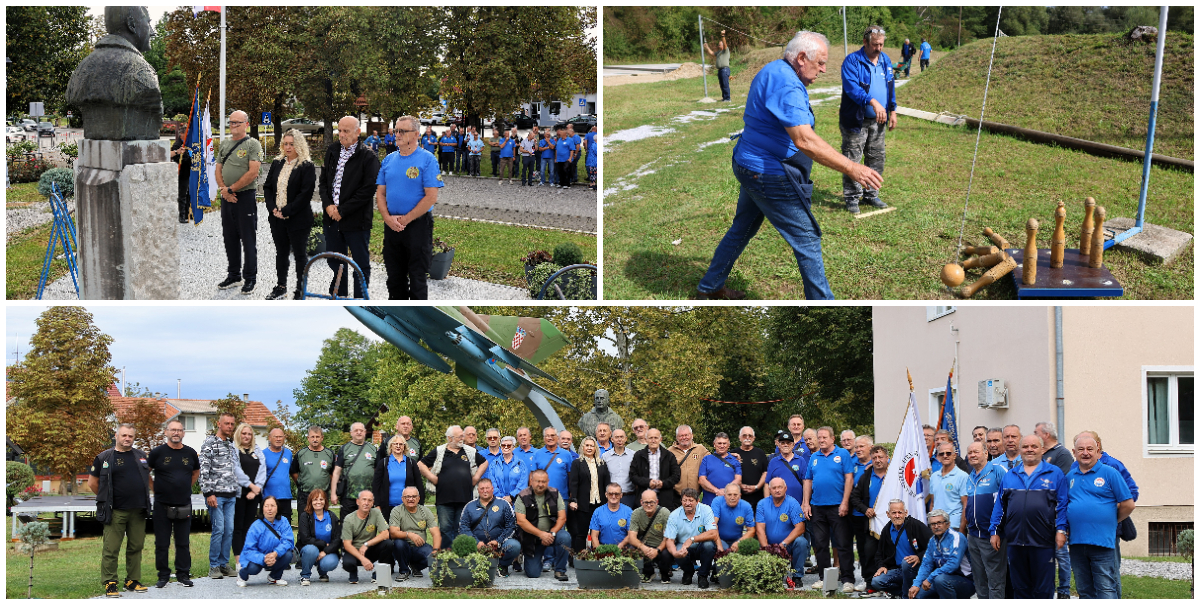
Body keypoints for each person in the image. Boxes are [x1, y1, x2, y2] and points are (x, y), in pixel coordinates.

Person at [695, 31, 883, 301]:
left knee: (743, 227)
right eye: (819, 62)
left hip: (750, 163)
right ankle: (823, 308)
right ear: (802, 58)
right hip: (766, 172)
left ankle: (709, 288)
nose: (823, 69)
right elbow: (805, 140)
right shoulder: (786, 84)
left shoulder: (776, 69)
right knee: (807, 239)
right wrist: (853, 168)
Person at [989, 435, 1068, 599]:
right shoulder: (1010, 475)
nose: (1029, 449)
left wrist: (1061, 530)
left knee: (1043, 589)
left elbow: (1062, 504)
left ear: (1042, 450)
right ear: (1020, 449)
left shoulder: (1054, 473)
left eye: (1034, 446)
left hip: (1043, 542)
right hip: (1015, 542)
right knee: (1020, 588)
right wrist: (994, 531)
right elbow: (1000, 506)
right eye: (1025, 446)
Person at [374, 114, 443, 300]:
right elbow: (380, 193)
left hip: (417, 226)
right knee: (394, 278)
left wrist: (405, 219)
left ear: (415, 135)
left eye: (402, 131)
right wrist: (388, 218)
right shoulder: (388, 160)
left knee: (417, 278)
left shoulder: (428, 160)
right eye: (396, 130)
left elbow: (431, 197)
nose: (397, 134)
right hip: (392, 226)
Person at [1065, 433, 1135, 599]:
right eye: (1081, 449)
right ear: (1074, 452)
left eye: (1090, 449)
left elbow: (1128, 504)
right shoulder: (1069, 477)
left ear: (1098, 451)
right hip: (1076, 543)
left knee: (1106, 588)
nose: (1086, 453)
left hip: (1102, 542)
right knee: (1084, 590)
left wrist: (1112, 520)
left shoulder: (1110, 473)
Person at [319, 115, 379, 298]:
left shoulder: (368, 156)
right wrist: (329, 205)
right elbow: (323, 182)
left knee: (360, 263)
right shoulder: (332, 150)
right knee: (335, 260)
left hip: (356, 220)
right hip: (332, 218)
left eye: (346, 131)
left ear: (357, 132)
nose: (341, 134)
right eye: (340, 130)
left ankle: (361, 299)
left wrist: (342, 210)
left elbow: (368, 190)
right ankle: (340, 295)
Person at [838, 25, 896, 215]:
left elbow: (890, 87)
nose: (879, 48)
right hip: (856, 120)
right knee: (852, 158)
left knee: (876, 157)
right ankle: (852, 198)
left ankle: (871, 194)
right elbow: (852, 90)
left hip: (878, 121)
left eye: (881, 44)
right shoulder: (852, 61)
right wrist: (873, 102)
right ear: (865, 42)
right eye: (875, 44)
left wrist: (892, 109)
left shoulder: (885, 60)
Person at [90, 424, 152, 597]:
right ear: (116, 436)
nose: (127, 438)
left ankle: (132, 580)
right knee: (111, 548)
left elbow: (147, 479)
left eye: (131, 436)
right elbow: (92, 483)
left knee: (136, 546)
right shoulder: (104, 457)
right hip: (115, 510)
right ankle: (110, 582)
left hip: (138, 510)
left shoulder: (141, 456)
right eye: (124, 435)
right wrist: (106, 498)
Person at [201, 413, 258, 581]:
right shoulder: (210, 443)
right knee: (218, 530)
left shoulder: (231, 445)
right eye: (227, 423)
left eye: (232, 424)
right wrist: (208, 492)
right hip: (216, 495)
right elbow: (203, 469)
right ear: (219, 424)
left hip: (231, 494)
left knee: (230, 530)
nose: (230, 426)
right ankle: (214, 566)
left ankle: (224, 564)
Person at [262, 129, 316, 300]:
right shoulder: (277, 163)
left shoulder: (306, 166)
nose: (288, 147)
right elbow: (268, 187)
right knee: (281, 253)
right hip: (276, 218)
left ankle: (300, 290)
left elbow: (305, 194)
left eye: (291, 144)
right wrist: (272, 208)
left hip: (298, 219)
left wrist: (285, 211)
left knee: (300, 255)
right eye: (285, 143)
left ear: (298, 145)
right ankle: (281, 287)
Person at [214, 110, 264, 294]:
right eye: (231, 122)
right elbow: (218, 169)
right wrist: (223, 190)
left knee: (248, 240)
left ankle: (250, 278)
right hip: (227, 197)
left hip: (244, 197)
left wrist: (231, 189)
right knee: (230, 238)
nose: (233, 125)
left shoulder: (253, 144)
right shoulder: (225, 144)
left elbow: (253, 172)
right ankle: (234, 275)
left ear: (246, 124)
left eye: (237, 122)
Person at [801, 426, 855, 593]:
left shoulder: (842, 454)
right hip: (817, 507)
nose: (821, 440)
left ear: (833, 439)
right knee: (821, 544)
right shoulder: (814, 457)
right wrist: (805, 503)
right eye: (820, 437)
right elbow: (808, 480)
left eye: (825, 437)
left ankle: (847, 579)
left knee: (842, 544)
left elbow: (849, 478)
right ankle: (824, 578)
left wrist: (845, 502)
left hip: (838, 507)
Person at [148, 419, 200, 588]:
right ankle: (163, 575)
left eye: (179, 430)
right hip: (162, 505)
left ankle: (183, 574)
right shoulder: (157, 453)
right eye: (173, 430)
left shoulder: (190, 453)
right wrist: (155, 488)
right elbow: (145, 472)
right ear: (166, 432)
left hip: (183, 504)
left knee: (183, 542)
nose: (176, 433)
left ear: (183, 433)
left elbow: (195, 472)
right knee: (162, 543)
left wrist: (185, 487)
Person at [417, 425, 488, 545]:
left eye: (462, 436)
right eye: (459, 436)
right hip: (444, 499)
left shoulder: (469, 451)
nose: (462, 438)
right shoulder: (439, 451)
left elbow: (484, 462)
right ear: (449, 438)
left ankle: (460, 556)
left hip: (465, 498)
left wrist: (476, 478)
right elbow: (420, 464)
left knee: (462, 529)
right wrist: (432, 478)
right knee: (445, 529)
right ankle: (447, 557)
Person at [962, 441, 1007, 599]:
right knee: (979, 580)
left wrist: (998, 530)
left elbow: (1008, 500)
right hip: (973, 536)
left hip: (992, 536)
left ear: (986, 453)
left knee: (995, 580)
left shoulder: (997, 471)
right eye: (970, 453)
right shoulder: (970, 477)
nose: (972, 455)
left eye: (976, 452)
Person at [1034, 421, 1074, 598]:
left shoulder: (1062, 454)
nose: (1034, 435)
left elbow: (1060, 482)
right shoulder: (1039, 453)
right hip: (1038, 515)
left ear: (1046, 435)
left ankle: (1064, 590)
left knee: (1061, 555)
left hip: (1056, 512)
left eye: (1036, 432)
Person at [514, 469, 572, 581]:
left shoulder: (555, 493)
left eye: (543, 481)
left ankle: (560, 570)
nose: (540, 484)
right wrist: (541, 534)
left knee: (565, 537)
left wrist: (552, 533)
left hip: (552, 535)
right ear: (531, 481)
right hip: (532, 538)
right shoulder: (522, 496)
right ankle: (534, 560)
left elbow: (562, 517)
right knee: (533, 573)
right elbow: (521, 521)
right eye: (537, 481)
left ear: (548, 481)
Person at [870, 499, 933, 598]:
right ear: (888, 514)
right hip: (899, 571)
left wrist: (919, 557)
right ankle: (907, 593)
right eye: (894, 513)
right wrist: (881, 566)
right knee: (876, 581)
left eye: (900, 512)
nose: (897, 515)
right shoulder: (886, 530)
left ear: (906, 513)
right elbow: (879, 553)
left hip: (917, 569)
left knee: (906, 562)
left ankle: (906, 597)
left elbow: (934, 546)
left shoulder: (915, 525)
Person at [459, 477, 522, 576]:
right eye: (482, 488)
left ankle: (502, 565)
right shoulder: (469, 506)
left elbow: (511, 526)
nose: (485, 491)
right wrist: (476, 542)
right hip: (477, 546)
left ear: (492, 489)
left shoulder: (504, 504)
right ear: (478, 490)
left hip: (499, 545)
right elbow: (463, 528)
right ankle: (477, 563)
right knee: (460, 543)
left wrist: (498, 541)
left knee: (515, 546)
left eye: (487, 488)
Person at [908, 509, 975, 599]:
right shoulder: (932, 541)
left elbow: (953, 565)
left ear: (948, 524)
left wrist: (929, 578)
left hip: (965, 580)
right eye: (933, 524)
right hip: (942, 578)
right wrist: (916, 584)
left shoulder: (957, 537)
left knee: (940, 580)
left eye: (939, 523)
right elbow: (926, 564)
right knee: (918, 595)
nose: (936, 526)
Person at [755, 477, 809, 586]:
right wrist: (767, 549)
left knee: (802, 542)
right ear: (769, 490)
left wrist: (784, 544)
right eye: (774, 488)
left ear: (785, 488)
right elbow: (759, 529)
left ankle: (797, 576)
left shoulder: (793, 503)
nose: (777, 490)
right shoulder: (762, 504)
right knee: (752, 541)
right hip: (769, 545)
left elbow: (801, 528)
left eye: (780, 487)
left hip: (787, 545)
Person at [850, 444, 890, 587]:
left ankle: (890, 582)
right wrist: (865, 509)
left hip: (892, 523)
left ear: (887, 458)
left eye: (881, 457)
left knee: (890, 553)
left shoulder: (894, 476)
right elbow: (854, 498)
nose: (878, 460)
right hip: (871, 523)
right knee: (868, 552)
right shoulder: (866, 476)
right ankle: (869, 582)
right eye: (874, 458)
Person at [662, 488, 719, 588]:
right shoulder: (674, 515)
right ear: (681, 501)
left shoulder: (706, 510)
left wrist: (692, 539)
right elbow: (669, 539)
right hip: (684, 546)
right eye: (685, 500)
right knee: (677, 549)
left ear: (698, 501)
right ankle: (688, 571)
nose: (687, 503)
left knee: (709, 545)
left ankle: (703, 575)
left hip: (702, 545)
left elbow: (713, 533)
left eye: (691, 500)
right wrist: (675, 553)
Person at [236, 496, 294, 587]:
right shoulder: (256, 526)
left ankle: (274, 577)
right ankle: (242, 575)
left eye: (272, 506)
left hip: (275, 556)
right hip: (259, 557)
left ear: (277, 508)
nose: (269, 509)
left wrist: (275, 554)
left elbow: (288, 541)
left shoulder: (284, 521)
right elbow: (248, 549)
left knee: (288, 554)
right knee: (254, 568)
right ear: (262, 508)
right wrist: (264, 558)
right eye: (266, 506)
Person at [231, 422, 266, 570]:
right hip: (240, 494)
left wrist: (257, 488)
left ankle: (248, 556)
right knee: (237, 527)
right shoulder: (233, 450)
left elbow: (263, 469)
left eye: (249, 434)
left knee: (249, 527)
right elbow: (236, 470)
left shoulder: (257, 450)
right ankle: (239, 561)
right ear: (239, 434)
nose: (247, 436)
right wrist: (251, 486)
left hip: (254, 495)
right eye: (244, 433)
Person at [388, 486, 441, 581]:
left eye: (413, 496)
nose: (411, 499)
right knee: (398, 543)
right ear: (402, 499)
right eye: (407, 497)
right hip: (403, 547)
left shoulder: (425, 511)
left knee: (431, 556)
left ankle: (416, 567)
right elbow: (393, 533)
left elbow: (436, 533)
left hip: (420, 546)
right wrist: (409, 535)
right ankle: (404, 571)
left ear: (418, 498)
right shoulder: (396, 511)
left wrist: (436, 550)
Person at [567, 436, 610, 552]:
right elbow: (574, 483)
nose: (589, 448)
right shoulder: (577, 463)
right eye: (587, 445)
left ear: (595, 448)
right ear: (582, 447)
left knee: (599, 532)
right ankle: (578, 558)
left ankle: (601, 557)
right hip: (583, 504)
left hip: (600, 504)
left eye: (592, 446)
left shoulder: (602, 463)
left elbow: (607, 483)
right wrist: (574, 500)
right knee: (581, 533)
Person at [341, 490, 393, 584]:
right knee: (347, 564)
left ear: (373, 503)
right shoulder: (349, 519)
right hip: (354, 551)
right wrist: (363, 559)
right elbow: (347, 544)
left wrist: (366, 544)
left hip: (369, 549)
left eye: (369, 500)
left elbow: (385, 534)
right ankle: (353, 572)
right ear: (358, 501)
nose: (366, 503)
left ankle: (379, 574)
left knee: (388, 544)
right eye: (364, 500)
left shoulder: (376, 513)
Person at [330, 422, 377, 521]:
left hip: (367, 496)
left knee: (367, 526)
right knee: (347, 523)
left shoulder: (373, 449)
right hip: (348, 495)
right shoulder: (344, 448)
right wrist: (333, 493)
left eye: (361, 430)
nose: (359, 432)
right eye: (356, 430)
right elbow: (336, 472)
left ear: (365, 432)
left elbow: (377, 472)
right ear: (351, 433)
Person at [372, 435, 425, 522]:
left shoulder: (411, 463)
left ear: (404, 446)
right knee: (390, 534)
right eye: (395, 444)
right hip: (387, 508)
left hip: (408, 507)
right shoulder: (383, 463)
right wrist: (377, 505)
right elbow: (376, 486)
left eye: (401, 444)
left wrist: (420, 505)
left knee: (407, 534)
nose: (398, 446)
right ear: (391, 446)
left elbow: (419, 485)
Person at [628, 489, 674, 583]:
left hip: (661, 545)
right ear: (641, 502)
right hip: (645, 545)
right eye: (646, 502)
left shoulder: (665, 513)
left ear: (657, 502)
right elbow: (632, 537)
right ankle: (648, 572)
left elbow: (668, 537)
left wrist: (657, 550)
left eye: (652, 502)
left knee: (668, 552)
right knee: (632, 548)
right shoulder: (636, 513)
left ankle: (664, 572)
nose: (649, 505)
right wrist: (643, 547)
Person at [297, 489, 341, 585]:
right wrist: (324, 544)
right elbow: (305, 538)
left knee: (330, 562)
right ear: (310, 502)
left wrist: (326, 551)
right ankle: (305, 576)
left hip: (327, 550)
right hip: (311, 548)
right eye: (315, 499)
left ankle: (322, 572)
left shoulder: (332, 516)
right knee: (311, 550)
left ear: (325, 501)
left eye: (321, 499)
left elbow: (338, 538)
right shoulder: (305, 516)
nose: (318, 502)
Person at [630, 428, 682, 511]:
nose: (653, 440)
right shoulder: (638, 455)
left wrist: (663, 483)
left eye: (656, 438)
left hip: (665, 499)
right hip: (644, 498)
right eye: (650, 438)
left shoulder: (669, 456)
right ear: (646, 439)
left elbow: (676, 476)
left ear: (660, 439)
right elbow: (633, 476)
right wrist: (648, 482)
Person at [290, 425, 335, 519]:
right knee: (304, 523)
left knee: (322, 522)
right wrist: (303, 483)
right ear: (308, 438)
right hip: (305, 495)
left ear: (322, 438)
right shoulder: (301, 454)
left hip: (323, 496)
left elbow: (332, 474)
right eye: (312, 437)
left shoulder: (329, 454)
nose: (315, 439)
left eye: (317, 437)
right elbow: (293, 472)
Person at [928, 443, 968, 529]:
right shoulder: (934, 476)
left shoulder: (962, 476)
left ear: (954, 455)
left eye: (948, 453)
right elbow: (933, 503)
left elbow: (966, 505)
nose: (945, 456)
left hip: (953, 525)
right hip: (936, 526)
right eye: (942, 454)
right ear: (938, 457)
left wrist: (961, 529)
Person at [258, 428, 294, 521]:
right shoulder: (263, 454)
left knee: (285, 525)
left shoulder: (288, 453)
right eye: (276, 437)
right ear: (270, 438)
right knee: (268, 526)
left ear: (284, 438)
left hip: (285, 496)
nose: (278, 439)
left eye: (280, 437)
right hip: (269, 497)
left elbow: (292, 472)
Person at [670, 425, 711, 505]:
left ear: (692, 435)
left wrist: (730, 456)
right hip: (676, 497)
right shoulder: (670, 452)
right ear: (677, 437)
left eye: (686, 435)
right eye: (681, 436)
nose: (684, 437)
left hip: (695, 497)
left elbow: (714, 460)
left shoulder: (700, 449)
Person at [697, 432, 742, 506]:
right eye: (719, 443)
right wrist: (717, 491)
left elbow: (738, 479)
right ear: (714, 444)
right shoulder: (707, 459)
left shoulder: (735, 460)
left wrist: (726, 491)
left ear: (728, 445)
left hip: (730, 503)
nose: (722, 446)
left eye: (724, 443)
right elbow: (702, 480)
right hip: (710, 503)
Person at [589, 482, 635, 549]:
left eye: (617, 494)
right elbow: (594, 536)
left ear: (621, 495)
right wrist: (600, 552)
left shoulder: (628, 512)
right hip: (603, 548)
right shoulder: (598, 512)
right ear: (606, 494)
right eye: (610, 494)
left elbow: (631, 534)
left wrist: (619, 548)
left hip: (623, 549)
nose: (613, 496)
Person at [765, 431, 807, 504]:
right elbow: (767, 484)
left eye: (788, 443)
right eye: (783, 443)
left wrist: (805, 503)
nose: (785, 445)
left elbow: (806, 483)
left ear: (793, 445)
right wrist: (767, 504)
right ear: (779, 445)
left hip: (797, 503)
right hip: (778, 504)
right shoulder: (773, 462)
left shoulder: (801, 460)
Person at [532, 426, 573, 498]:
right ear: (544, 438)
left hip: (562, 497)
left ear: (557, 437)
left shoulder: (566, 454)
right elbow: (532, 476)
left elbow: (571, 476)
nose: (550, 438)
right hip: (542, 497)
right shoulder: (537, 454)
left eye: (552, 435)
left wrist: (572, 496)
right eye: (547, 436)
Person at [714, 482, 757, 551]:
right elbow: (713, 525)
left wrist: (739, 542)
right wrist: (719, 545)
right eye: (729, 495)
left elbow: (751, 530)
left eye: (735, 495)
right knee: (710, 546)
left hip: (737, 540)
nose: (732, 498)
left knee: (752, 545)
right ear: (724, 496)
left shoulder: (746, 506)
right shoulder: (717, 501)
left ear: (740, 496)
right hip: (719, 538)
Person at [488, 435, 529, 504]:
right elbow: (491, 483)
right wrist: (501, 498)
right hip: (498, 501)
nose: (506, 447)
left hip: (516, 501)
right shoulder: (494, 464)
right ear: (500, 447)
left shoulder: (521, 464)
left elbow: (523, 483)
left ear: (513, 447)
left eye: (509, 445)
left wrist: (511, 497)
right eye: (503, 445)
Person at [735, 426, 769, 509]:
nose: (747, 438)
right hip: (738, 497)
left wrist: (757, 487)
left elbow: (765, 472)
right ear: (739, 438)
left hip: (758, 497)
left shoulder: (760, 453)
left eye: (750, 436)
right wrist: (740, 485)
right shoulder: (733, 454)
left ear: (754, 438)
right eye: (744, 435)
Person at [603, 429, 637, 509]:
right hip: (612, 497)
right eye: (617, 437)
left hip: (629, 496)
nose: (619, 439)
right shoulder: (605, 457)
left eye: (621, 437)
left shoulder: (633, 455)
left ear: (626, 439)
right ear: (612, 439)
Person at [703, 30, 732, 102]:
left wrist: (723, 36)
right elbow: (712, 53)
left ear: (722, 45)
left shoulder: (725, 50)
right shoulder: (719, 52)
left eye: (719, 45)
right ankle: (724, 98)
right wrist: (707, 48)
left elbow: (725, 44)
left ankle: (728, 98)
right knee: (722, 85)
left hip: (725, 70)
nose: (718, 46)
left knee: (725, 84)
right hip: (720, 71)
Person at [170, 130, 191, 223]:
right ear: (181, 134)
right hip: (182, 173)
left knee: (188, 195)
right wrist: (187, 159)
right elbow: (176, 160)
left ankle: (187, 214)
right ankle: (181, 216)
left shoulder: (188, 144)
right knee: (182, 195)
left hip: (188, 173)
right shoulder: (177, 145)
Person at [553, 124, 577, 189]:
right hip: (559, 159)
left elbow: (572, 149)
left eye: (561, 133)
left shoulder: (570, 140)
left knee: (566, 170)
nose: (560, 134)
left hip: (566, 159)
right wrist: (556, 158)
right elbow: (556, 149)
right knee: (560, 171)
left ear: (564, 134)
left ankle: (567, 183)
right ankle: (561, 183)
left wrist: (570, 158)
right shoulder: (559, 140)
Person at [585, 126, 598, 191]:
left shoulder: (593, 144)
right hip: (593, 162)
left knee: (593, 173)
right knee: (593, 173)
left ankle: (592, 184)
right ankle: (592, 185)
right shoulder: (595, 145)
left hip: (592, 161)